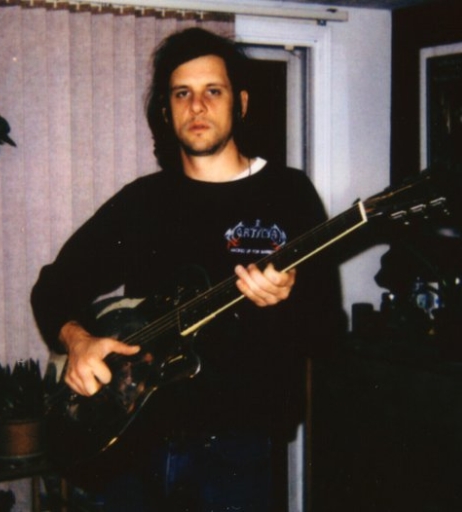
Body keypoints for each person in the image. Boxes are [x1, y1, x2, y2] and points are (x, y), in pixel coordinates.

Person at [31, 27, 346, 512]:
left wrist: (289, 298)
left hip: (238, 456)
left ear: (241, 103)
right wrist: (77, 340)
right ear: (166, 110)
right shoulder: (142, 202)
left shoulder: (288, 193)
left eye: (213, 91)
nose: (197, 106)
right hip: (132, 449)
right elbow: (53, 287)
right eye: (182, 93)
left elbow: (326, 332)